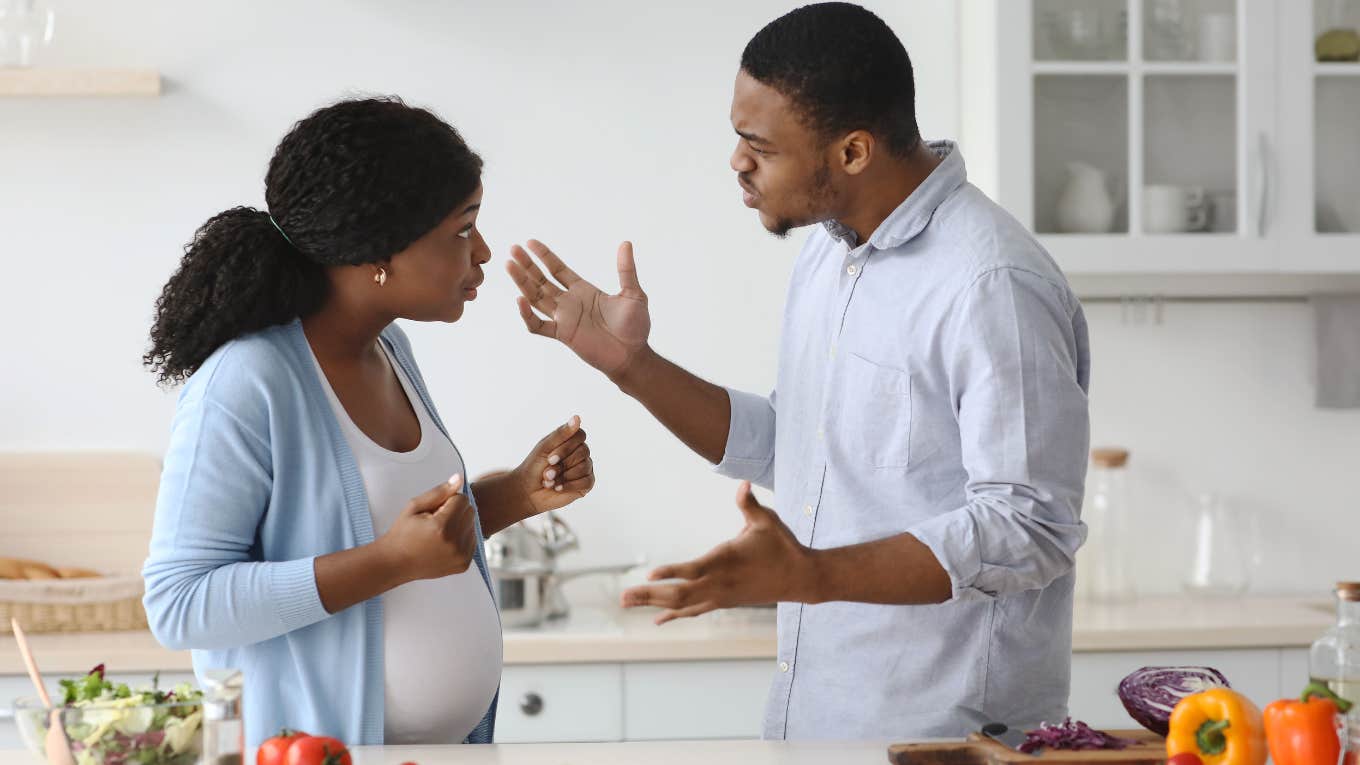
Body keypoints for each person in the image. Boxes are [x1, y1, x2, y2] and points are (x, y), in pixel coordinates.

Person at [504, 2, 1090, 740]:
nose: (737, 162)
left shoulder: (991, 283)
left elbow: (1030, 525)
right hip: (817, 724)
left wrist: (811, 574)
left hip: (947, 738)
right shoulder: (832, 249)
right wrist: (633, 365)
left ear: (851, 152)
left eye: (760, 145)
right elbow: (798, 445)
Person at [141, 97, 595, 747]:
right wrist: (388, 561)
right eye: (463, 229)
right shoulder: (246, 383)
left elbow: (395, 536)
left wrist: (518, 492)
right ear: (378, 250)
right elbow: (180, 604)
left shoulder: (389, 350)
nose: (484, 252)